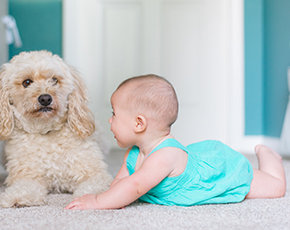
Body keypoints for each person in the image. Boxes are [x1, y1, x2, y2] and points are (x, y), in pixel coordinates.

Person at [65, 74, 286, 210]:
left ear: (139, 124)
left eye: (114, 114)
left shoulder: (164, 156)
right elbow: (121, 184)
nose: (110, 120)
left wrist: (97, 202)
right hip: (194, 159)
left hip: (218, 171)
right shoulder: (133, 153)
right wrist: (111, 198)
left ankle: (266, 154)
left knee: (276, 188)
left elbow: (135, 186)